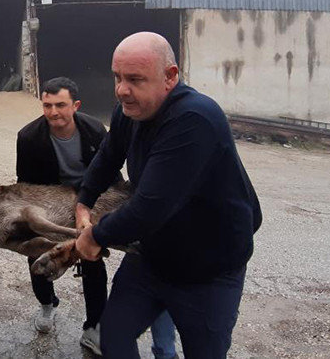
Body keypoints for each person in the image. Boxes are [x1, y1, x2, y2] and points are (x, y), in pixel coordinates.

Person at [74, 32, 262, 358]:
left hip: (209, 272)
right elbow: (108, 156)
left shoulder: (194, 118)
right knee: (112, 339)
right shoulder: (129, 111)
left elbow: (150, 206)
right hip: (152, 260)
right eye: (117, 77)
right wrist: (83, 202)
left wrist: (95, 236)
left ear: (170, 77)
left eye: (134, 79)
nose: (121, 90)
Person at [17, 77, 177, 357]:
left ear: (75, 105)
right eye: (47, 105)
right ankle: (47, 304)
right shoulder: (29, 137)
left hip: (89, 201)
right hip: (50, 203)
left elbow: (110, 172)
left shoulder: (93, 129)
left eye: (60, 105)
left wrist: (110, 209)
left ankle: (93, 326)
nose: (53, 112)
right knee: (38, 257)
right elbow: (25, 185)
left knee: (93, 259)